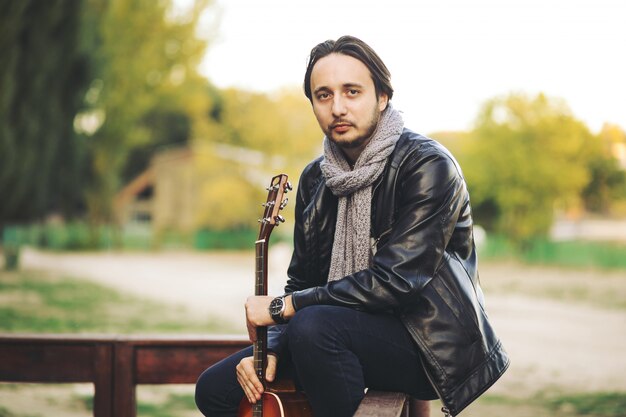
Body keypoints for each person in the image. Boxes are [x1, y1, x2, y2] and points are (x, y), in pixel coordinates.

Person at [195, 35, 509, 417]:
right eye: (323, 95)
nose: (338, 107)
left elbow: (395, 281)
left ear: (382, 97)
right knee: (216, 389)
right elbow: (302, 282)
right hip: (331, 330)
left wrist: (281, 309)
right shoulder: (316, 179)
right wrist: (273, 348)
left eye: (352, 92)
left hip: (426, 345)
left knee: (314, 327)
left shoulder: (427, 167)